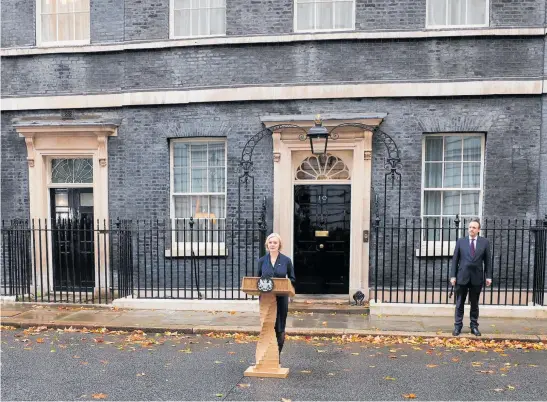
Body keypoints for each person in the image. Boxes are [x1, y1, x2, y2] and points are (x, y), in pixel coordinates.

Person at [449, 218, 492, 337]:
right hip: (462, 277)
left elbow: (488, 260)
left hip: (476, 277)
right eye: (470, 227)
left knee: (474, 304)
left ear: (478, 230)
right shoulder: (461, 241)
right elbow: (455, 260)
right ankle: (458, 326)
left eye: (474, 227)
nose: (471, 229)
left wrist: (489, 276)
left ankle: (474, 326)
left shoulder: (484, 242)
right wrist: (453, 276)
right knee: (459, 303)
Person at [257, 233, 296, 358]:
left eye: (275, 242)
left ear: (279, 245)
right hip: (266, 298)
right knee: (267, 326)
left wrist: (284, 284)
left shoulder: (286, 261)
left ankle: (276, 356)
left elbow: (292, 278)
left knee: (279, 326)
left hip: (281, 298)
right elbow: (257, 280)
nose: (272, 245)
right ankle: (266, 357)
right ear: (267, 245)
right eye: (270, 242)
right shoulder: (262, 261)